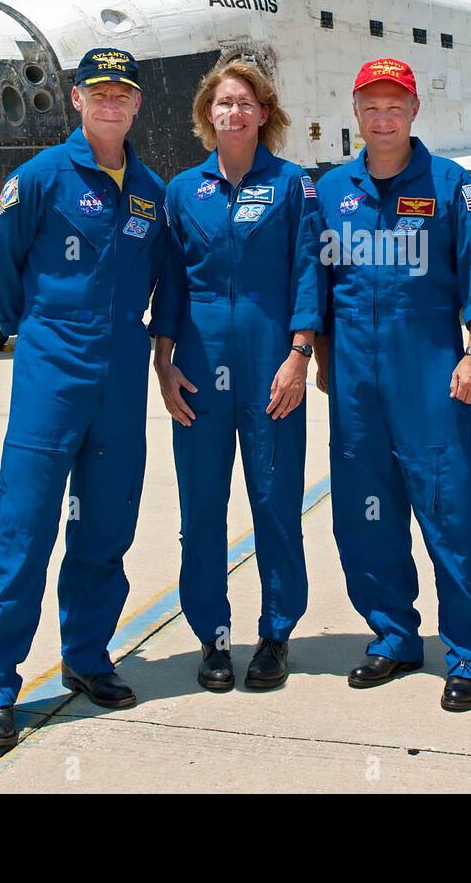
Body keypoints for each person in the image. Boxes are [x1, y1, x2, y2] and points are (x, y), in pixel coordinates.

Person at [0, 47, 168, 750]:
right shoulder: (41, 178)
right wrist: (39, 329)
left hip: (121, 375)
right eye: (98, 91)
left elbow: (163, 281)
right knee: (24, 526)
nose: (111, 103)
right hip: (53, 373)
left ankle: (87, 656)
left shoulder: (150, 189)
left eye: (123, 93)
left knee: (106, 528)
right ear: (77, 99)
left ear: (137, 104)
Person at [314, 58, 471, 712]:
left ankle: (470, 651)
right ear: (356, 111)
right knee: (364, 514)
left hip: (429, 367)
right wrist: (317, 354)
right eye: (371, 105)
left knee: (448, 508)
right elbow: (318, 283)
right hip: (354, 377)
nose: (383, 117)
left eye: (395, 105)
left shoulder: (451, 186)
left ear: (415, 111)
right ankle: (395, 635)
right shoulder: (333, 191)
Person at [153, 61, 323, 692]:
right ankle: (213, 638)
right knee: (201, 509)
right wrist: (163, 360)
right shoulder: (182, 191)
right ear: (209, 115)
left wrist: (299, 354)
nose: (234, 112)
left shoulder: (292, 186)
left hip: (270, 363)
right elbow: (170, 280)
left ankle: (276, 635)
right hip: (196, 364)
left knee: (275, 502)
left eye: (245, 102)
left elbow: (309, 272)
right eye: (223, 103)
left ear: (263, 113)